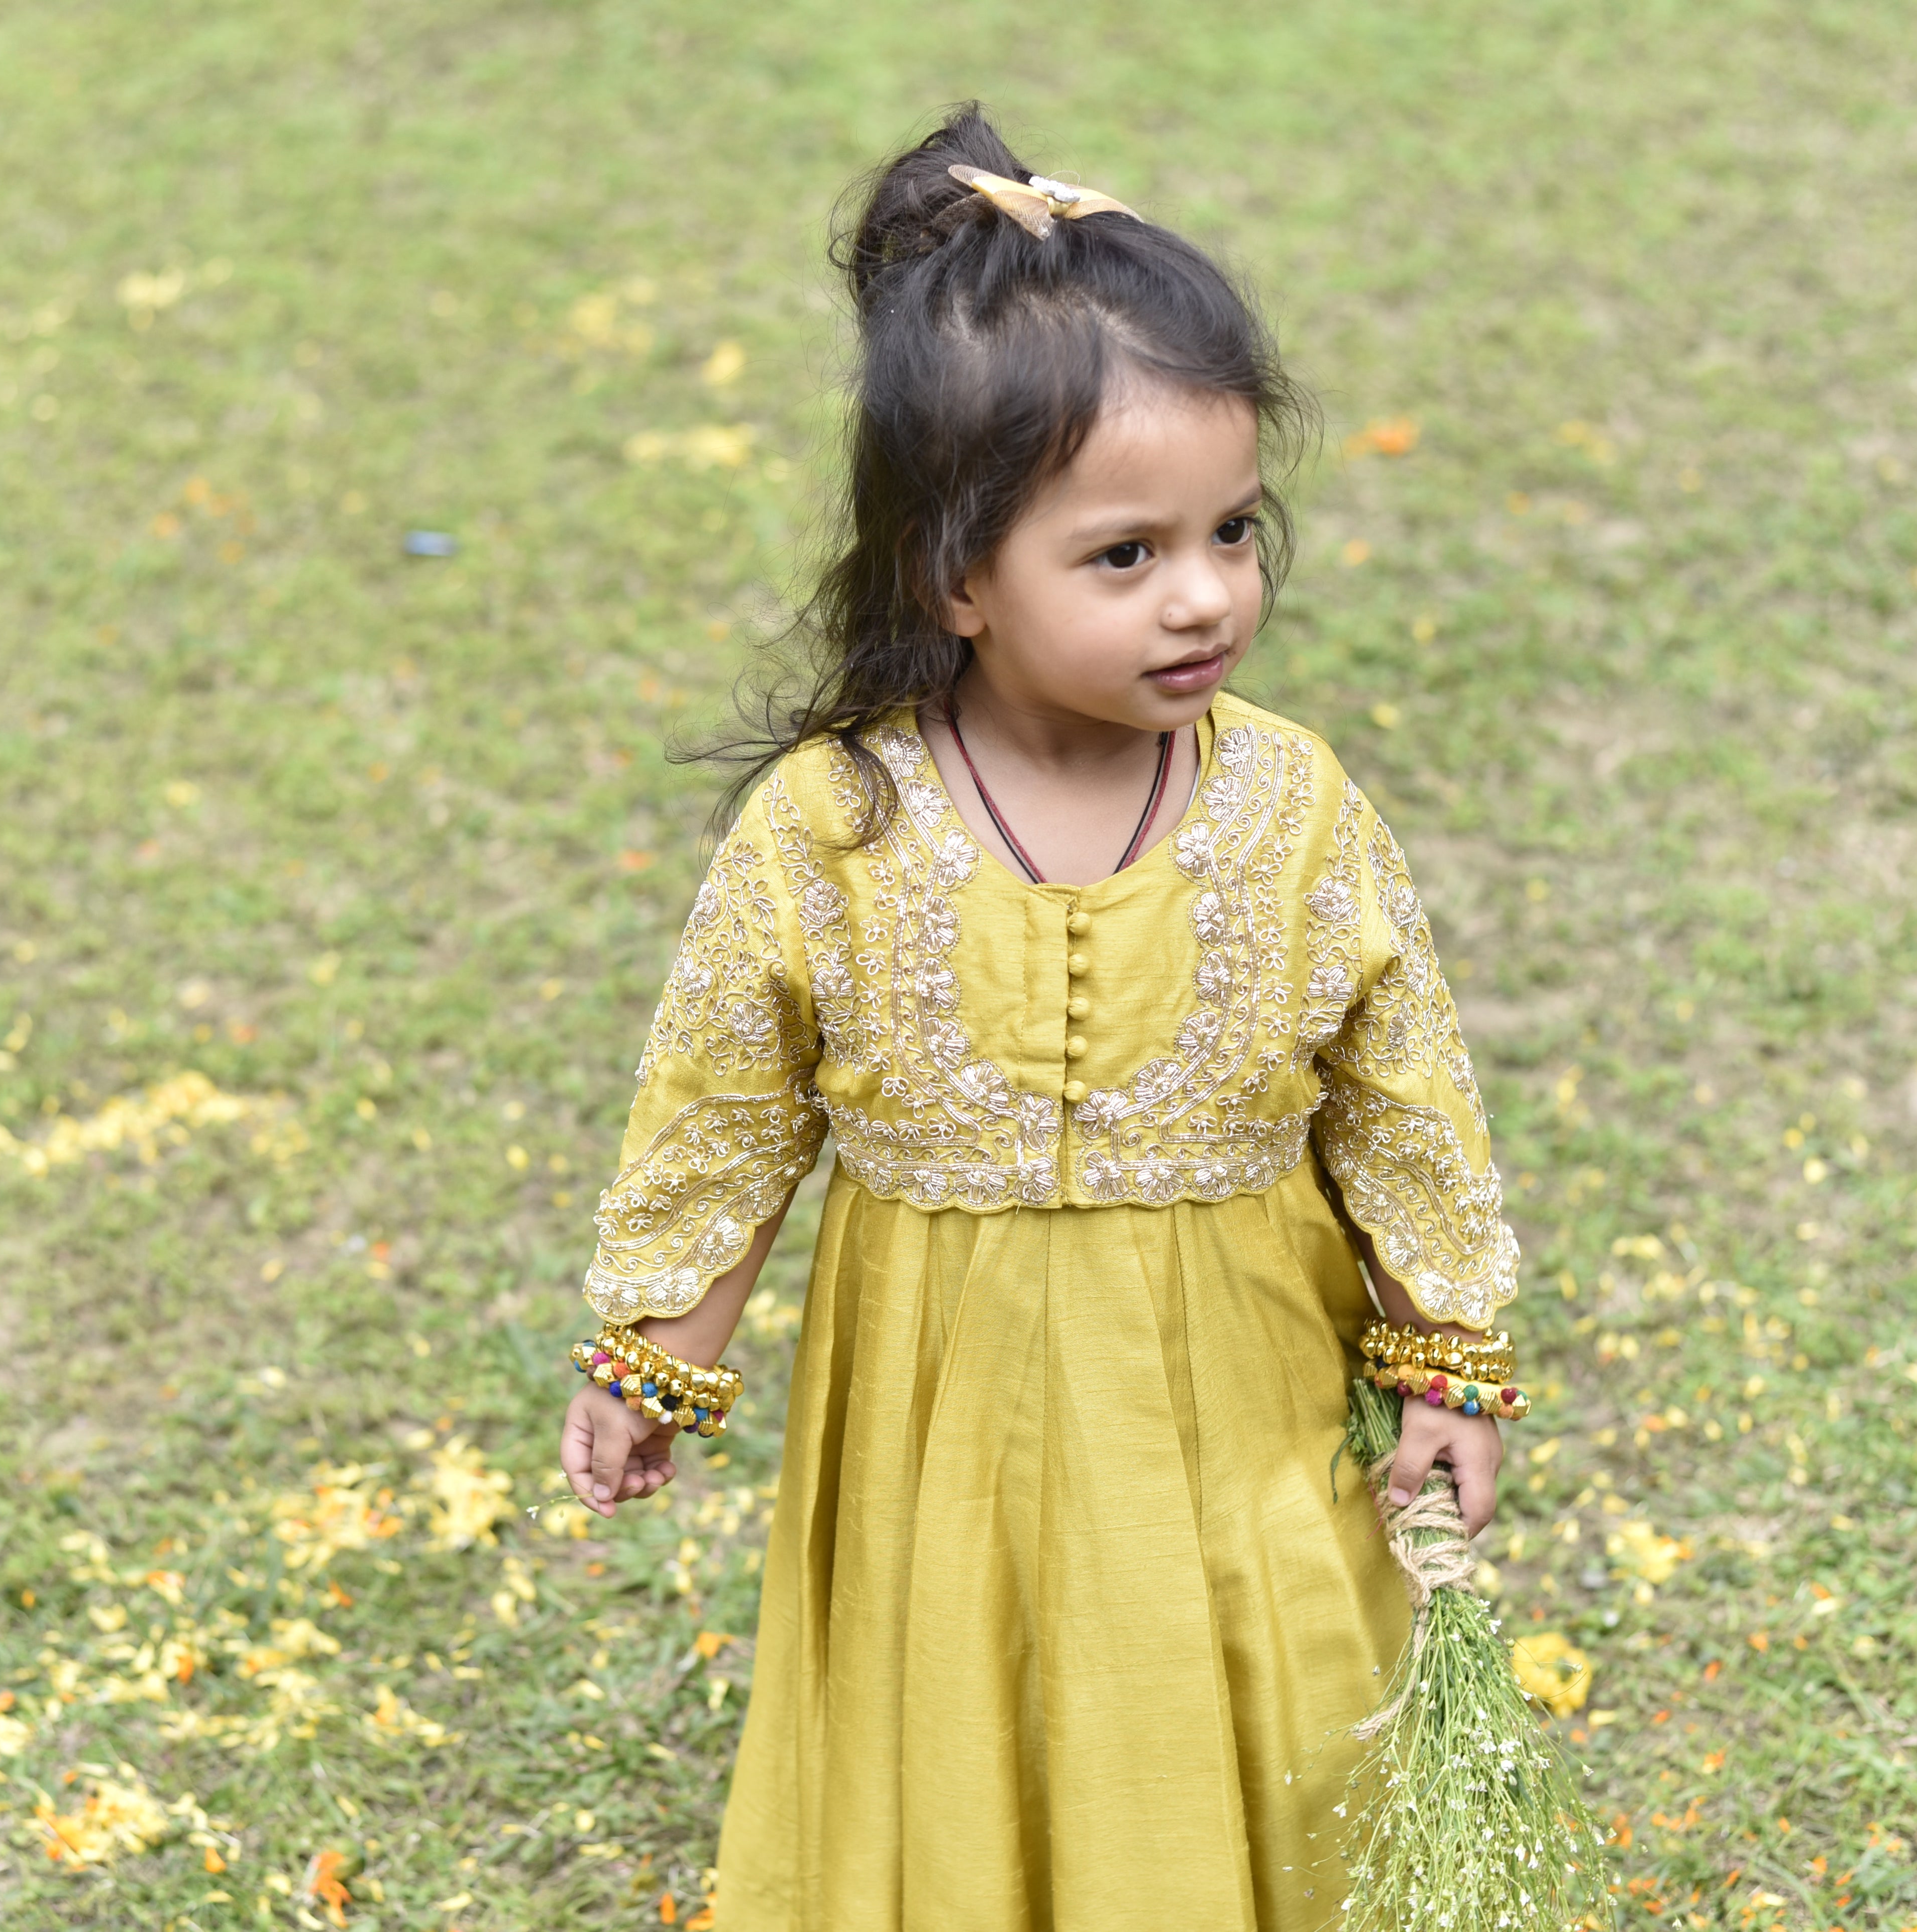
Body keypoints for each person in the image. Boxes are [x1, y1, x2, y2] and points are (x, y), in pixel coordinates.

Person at [556, 103, 1524, 1931]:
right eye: (1125, 554)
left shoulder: (1293, 806)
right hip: (947, 1398)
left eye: (1234, 530)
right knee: (967, 1690)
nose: (1209, 594)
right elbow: (729, 1108)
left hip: (1242, 1381)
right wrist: (656, 1357)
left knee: (1263, 1686)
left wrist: (1447, 1361)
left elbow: (1400, 1096)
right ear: (952, 574)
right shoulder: (835, 825)